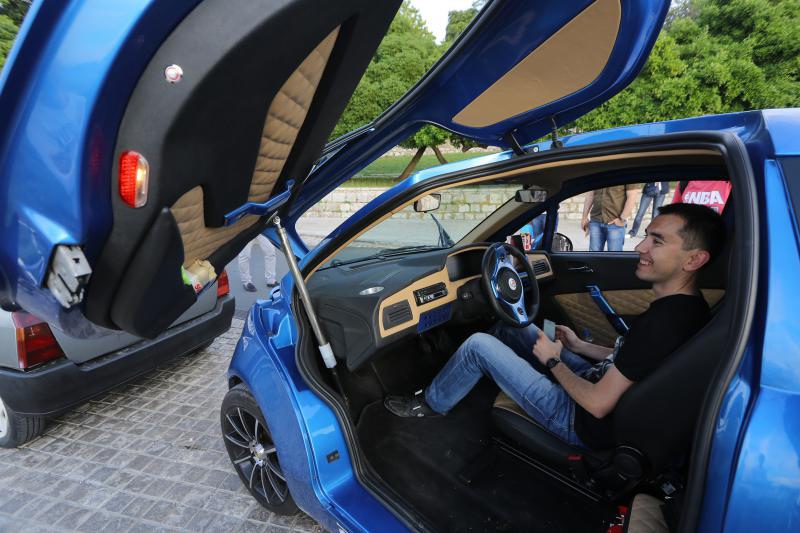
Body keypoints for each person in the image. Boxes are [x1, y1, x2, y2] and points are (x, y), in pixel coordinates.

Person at [385, 203, 726, 450]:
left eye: (657, 241)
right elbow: (635, 360)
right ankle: (479, 378)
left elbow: (596, 404)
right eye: (646, 237)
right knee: (512, 329)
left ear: (694, 259)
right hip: (600, 383)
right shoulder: (688, 309)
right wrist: (579, 347)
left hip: (580, 420)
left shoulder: (664, 323)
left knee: (478, 345)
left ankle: (430, 405)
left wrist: (553, 361)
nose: (639, 247)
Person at [581, 185, 637, 251]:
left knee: (614, 258)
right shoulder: (594, 174)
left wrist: (622, 219)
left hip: (615, 223)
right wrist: (584, 217)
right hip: (596, 221)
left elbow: (632, 196)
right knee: (594, 257)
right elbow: (590, 194)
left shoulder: (625, 175)